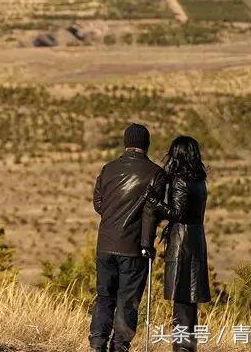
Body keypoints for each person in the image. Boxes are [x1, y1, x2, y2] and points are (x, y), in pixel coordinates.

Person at [89, 123, 165, 352]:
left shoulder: (108, 169)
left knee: (104, 297)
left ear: (126, 143)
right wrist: (147, 244)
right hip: (133, 248)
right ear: (146, 144)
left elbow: (98, 203)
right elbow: (152, 212)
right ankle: (119, 346)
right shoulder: (155, 173)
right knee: (127, 301)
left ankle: (96, 343)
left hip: (105, 244)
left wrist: (113, 218)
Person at [142, 135, 211, 352]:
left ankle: (181, 349)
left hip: (182, 243)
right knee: (189, 304)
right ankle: (188, 347)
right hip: (196, 240)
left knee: (181, 301)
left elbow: (177, 213)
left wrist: (154, 200)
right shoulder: (200, 180)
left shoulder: (181, 180)